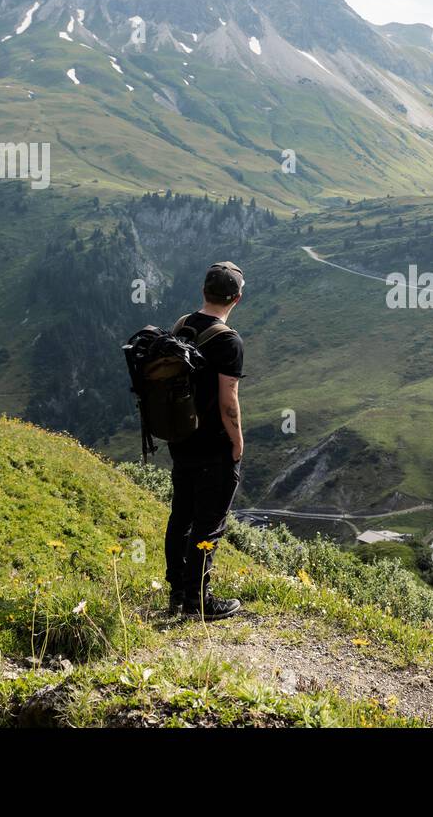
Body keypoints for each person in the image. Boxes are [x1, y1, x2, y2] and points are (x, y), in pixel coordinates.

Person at [164, 261, 247, 619]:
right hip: (213, 444)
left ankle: (178, 592)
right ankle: (200, 602)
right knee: (209, 523)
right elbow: (229, 400)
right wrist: (238, 440)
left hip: (180, 437)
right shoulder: (228, 341)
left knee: (181, 514)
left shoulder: (182, 325)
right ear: (237, 298)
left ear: (203, 291)